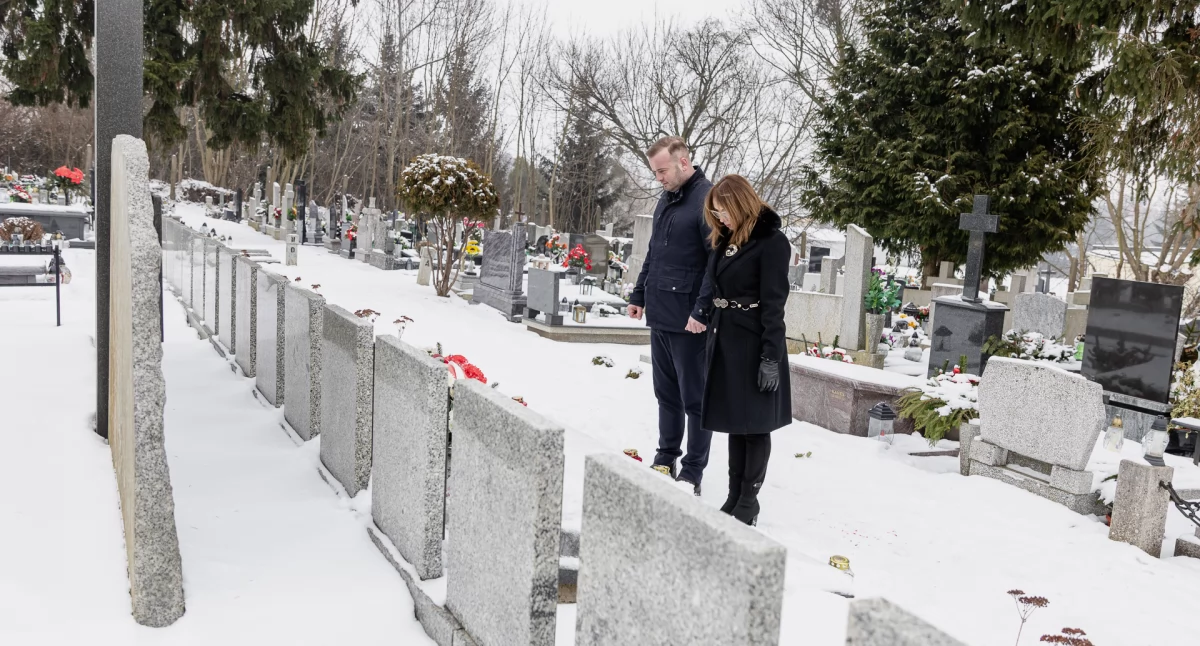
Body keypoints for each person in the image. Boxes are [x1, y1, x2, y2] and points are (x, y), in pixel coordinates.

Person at [699, 174, 792, 525]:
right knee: (736, 424)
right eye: (715, 212)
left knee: (754, 426)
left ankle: (749, 502)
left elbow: (774, 304)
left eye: (723, 211)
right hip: (726, 341)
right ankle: (734, 495)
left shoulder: (772, 243)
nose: (719, 218)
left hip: (755, 344)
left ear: (739, 204)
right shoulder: (726, 240)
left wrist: (771, 357)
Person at [627, 136, 714, 494]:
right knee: (666, 393)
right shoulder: (667, 199)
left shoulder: (708, 199)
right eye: (655, 172)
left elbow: (716, 262)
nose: (658, 178)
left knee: (695, 399)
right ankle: (666, 457)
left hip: (690, 319)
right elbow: (654, 254)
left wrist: (702, 310)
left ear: (683, 162)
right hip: (661, 312)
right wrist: (638, 293)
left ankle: (692, 470)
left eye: (662, 171)